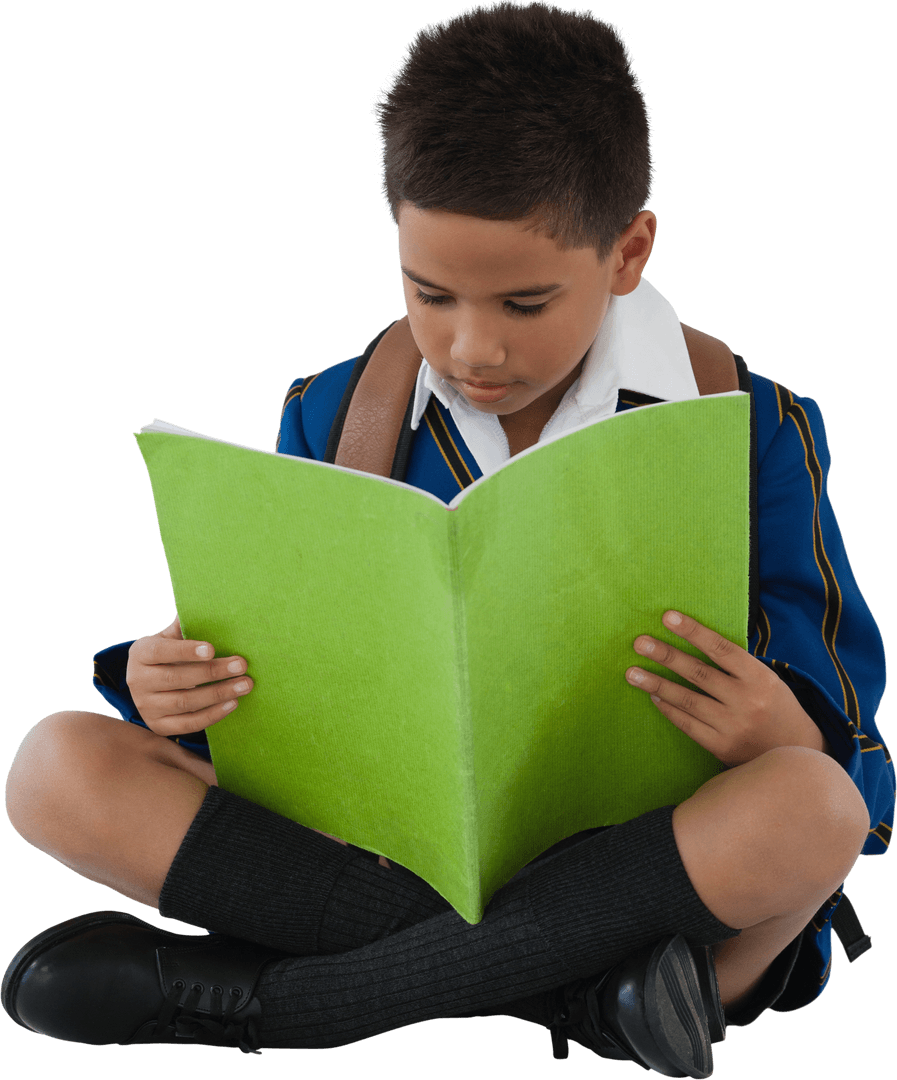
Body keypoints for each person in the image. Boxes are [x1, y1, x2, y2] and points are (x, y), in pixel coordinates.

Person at [3, 2, 892, 1075]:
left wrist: (782, 734)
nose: (474, 346)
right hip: (392, 863)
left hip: (660, 879)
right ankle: (595, 1006)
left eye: (525, 301)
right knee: (54, 768)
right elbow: (282, 723)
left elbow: (864, 779)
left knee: (815, 808)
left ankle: (291, 1005)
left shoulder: (751, 423)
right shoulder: (333, 415)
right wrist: (173, 688)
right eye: (429, 292)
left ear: (628, 251)